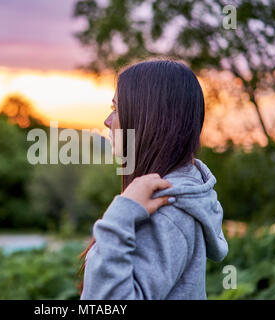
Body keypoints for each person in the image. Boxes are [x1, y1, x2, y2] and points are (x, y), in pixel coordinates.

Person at [78, 58, 228, 300]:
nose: (107, 121)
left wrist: (120, 215)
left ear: (149, 118)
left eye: (117, 109)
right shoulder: (171, 198)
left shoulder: (167, 211)